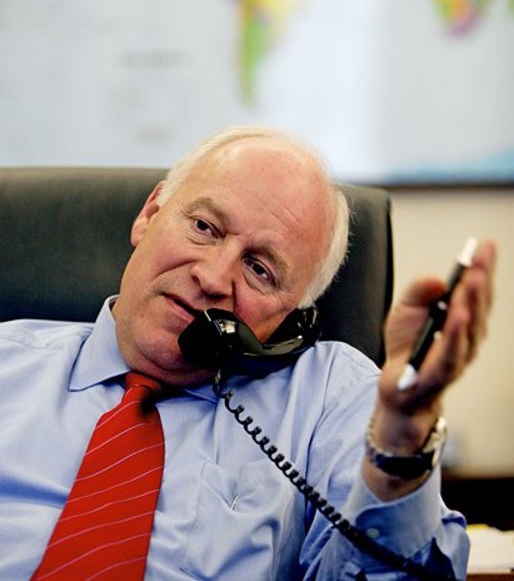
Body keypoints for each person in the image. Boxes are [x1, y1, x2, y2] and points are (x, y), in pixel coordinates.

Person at [0, 126, 495, 580]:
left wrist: (401, 439)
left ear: (294, 319)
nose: (212, 277)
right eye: (204, 227)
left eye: (260, 270)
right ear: (149, 215)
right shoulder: (9, 362)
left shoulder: (331, 399)